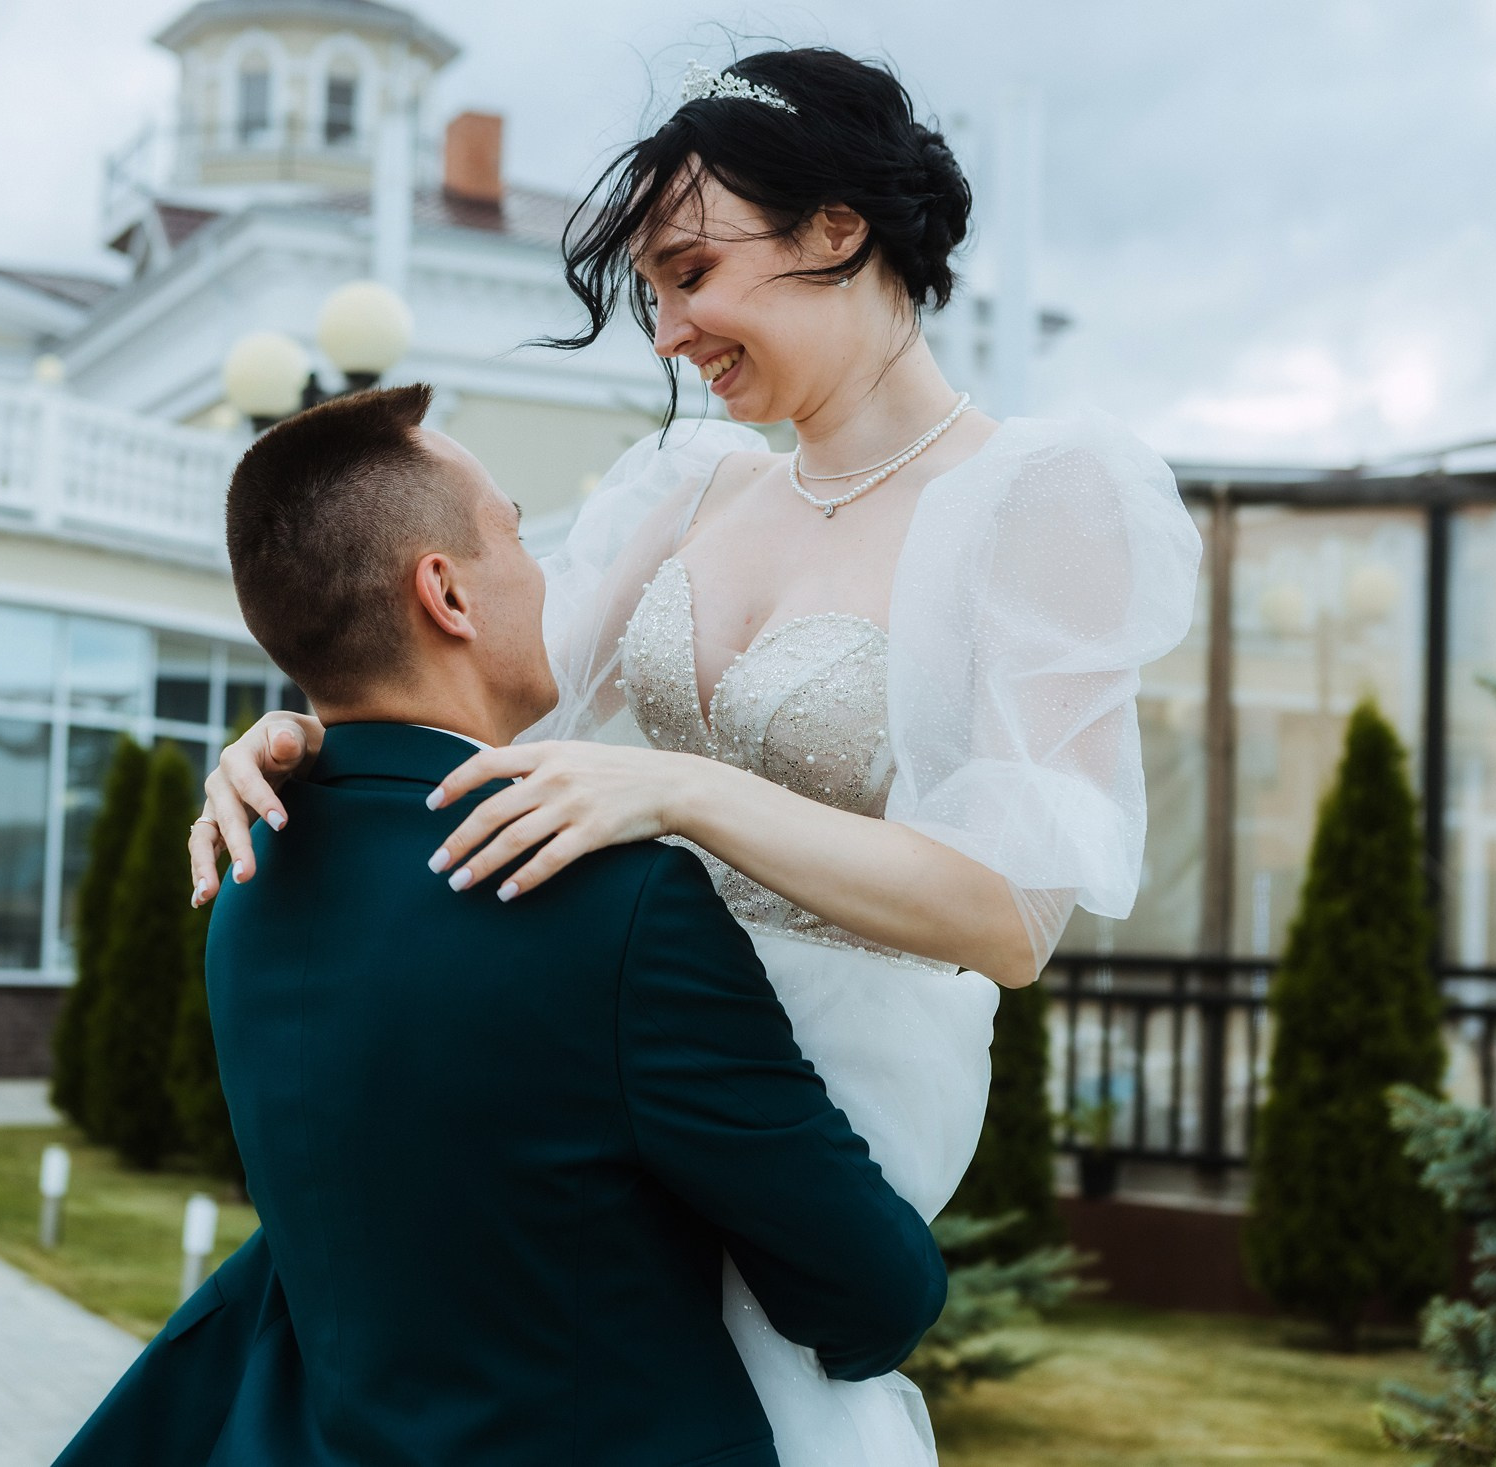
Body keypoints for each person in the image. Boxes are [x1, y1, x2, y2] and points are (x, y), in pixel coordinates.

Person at [190, 48, 1202, 1464]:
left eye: (690, 273)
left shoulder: (1037, 499)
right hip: (585, 1052)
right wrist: (301, 732)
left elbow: (1013, 918)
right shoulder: (686, 487)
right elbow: (490, 702)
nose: (666, 330)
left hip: (828, 1092)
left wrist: (689, 791)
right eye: (651, 295)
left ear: (836, 231)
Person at [56, 384, 945, 1467]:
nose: (545, 575)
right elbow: (872, 1293)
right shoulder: (614, 906)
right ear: (446, 594)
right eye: (520, 535)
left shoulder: (250, 870)